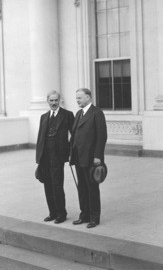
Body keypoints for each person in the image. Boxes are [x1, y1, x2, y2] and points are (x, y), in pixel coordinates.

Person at [69, 88, 107, 228]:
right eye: (76, 98)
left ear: (88, 97)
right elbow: (74, 137)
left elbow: (102, 137)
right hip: (79, 158)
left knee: (92, 188)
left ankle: (94, 217)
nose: (77, 100)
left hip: (91, 159)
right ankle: (84, 215)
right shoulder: (79, 113)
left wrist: (98, 156)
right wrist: (71, 153)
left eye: (79, 97)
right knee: (82, 188)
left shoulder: (97, 113)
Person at [36, 90, 74, 224]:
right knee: (47, 186)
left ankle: (61, 214)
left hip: (58, 157)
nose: (53, 103)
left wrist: (69, 151)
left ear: (59, 101)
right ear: (47, 101)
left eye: (56, 100)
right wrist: (39, 158)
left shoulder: (67, 115)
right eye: (51, 100)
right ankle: (52, 213)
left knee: (57, 186)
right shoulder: (44, 117)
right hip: (45, 158)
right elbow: (40, 138)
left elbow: (74, 135)